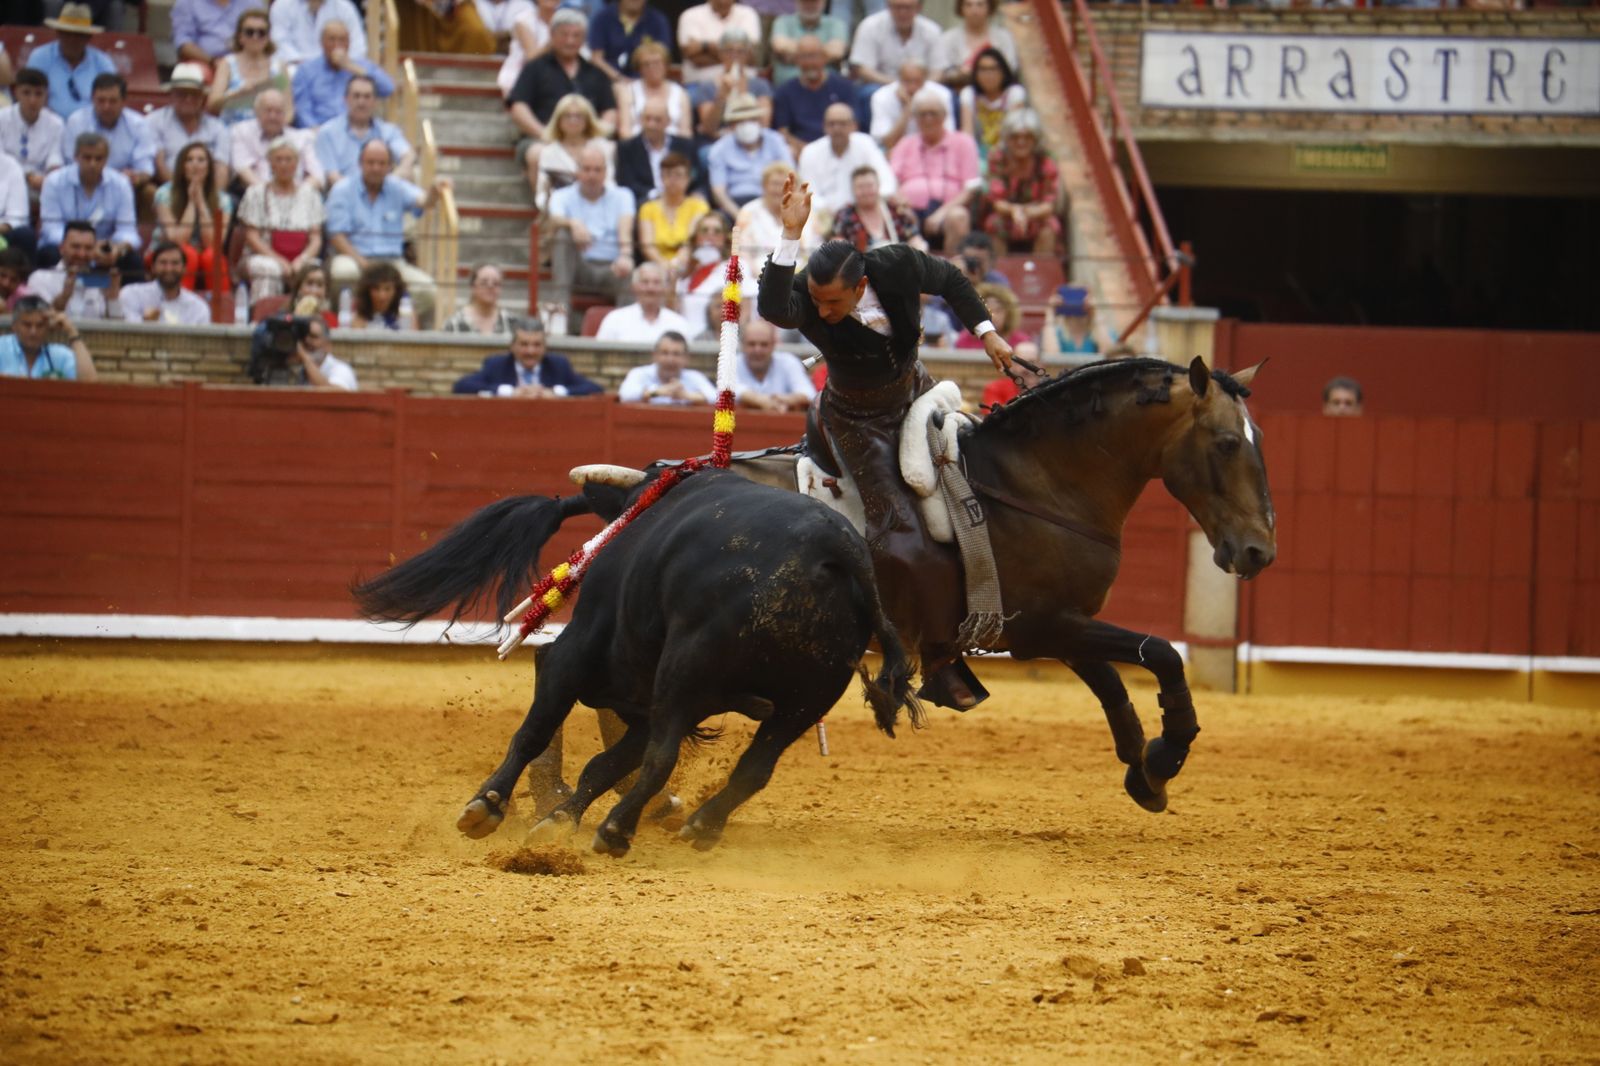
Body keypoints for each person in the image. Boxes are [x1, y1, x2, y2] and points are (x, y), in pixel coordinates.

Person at [757, 173, 1013, 710]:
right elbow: (775, 309)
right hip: (857, 420)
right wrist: (789, 235)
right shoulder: (805, 295)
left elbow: (952, 280)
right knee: (898, 534)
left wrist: (987, 333)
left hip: (917, 390)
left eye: (832, 303)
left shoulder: (894, 265)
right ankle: (934, 657)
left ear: (858, 284)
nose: (822, 313)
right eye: (818, 303)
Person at [325, 140, 450, 325]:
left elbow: (424, 202)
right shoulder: (342, 189)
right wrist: (363, 263)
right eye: (371, 162)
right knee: (343, 273)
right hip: (354, 258)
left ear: (390, 166)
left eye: (382, 163)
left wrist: (434, 190)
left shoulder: (396, 187)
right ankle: (341, 327)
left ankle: (400, 328)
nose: (376, 168)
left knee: (428, 290)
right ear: (360, 163)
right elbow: (336, 235)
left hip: (393, 263)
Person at [542, 145, 635, 332]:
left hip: (611, 267)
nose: (592, 175)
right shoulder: (562, 196)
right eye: (586, 169)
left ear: (606, 172)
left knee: (629, 272)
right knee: (562, 234)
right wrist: (573, 223)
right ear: (577, 171)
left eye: (597, 170)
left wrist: (625, 255)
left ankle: (626, 331)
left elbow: (625, 231)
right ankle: (560, 314)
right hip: (577, 266)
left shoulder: (623, 196)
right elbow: (553, 218)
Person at [506, 9, 617, 148]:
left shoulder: (595, 72)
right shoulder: (535, 67)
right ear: (552, 35)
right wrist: (544, 134)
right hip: (542, 139)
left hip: (588, 141)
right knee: (537, 153)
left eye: (576, 36)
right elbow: (518, 107)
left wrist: (596, 136)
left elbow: (609, 110)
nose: (570, 41)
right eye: (564, 35)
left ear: (584, 39)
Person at [889, 87, 978, 255]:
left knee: (958, 217)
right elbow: (890, 182)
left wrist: (941, 213)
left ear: (944, 116)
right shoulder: (905, 143)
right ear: (915, 118)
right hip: (911, 209)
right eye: (922, 114)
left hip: (949, 208)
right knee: (898, 217)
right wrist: (899, 200)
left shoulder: (963, 142)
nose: (928, 119)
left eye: (933, 113)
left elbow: (971, 188)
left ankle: (954, 275)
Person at [37, 134, 141, 275]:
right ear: (76, 157)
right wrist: (84, 247)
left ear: (106, 159)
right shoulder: (54, 181)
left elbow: (128, 231)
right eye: (87, 158)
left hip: (104, 249)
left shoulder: (121, 184)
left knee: (132, 260)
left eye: (98, 159)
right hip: (66, 247)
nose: (93, 164)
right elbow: (51, 229)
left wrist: (116, 248)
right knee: (48, 253)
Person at [238, 136, 325, 301]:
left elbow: (316, 238)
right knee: (270, 269)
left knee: (313, 271)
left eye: (289, 159)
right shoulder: (255, 193)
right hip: (264, 255)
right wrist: (279, 260)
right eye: (279, 159)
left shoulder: (310, 194)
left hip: (301, 255)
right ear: (270, 163)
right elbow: (252, 237)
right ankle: (263, 317)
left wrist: (302, 260)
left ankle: (308, 315)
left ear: (297, 163)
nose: (284, 164)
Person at [155, 142, 236, 292]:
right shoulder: (164, 194)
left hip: (205, 251)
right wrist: (192, 202)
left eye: (201, 160)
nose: (195, 165)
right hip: (166, 253)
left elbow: (214, 243)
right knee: (188, 254)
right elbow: (177, 240)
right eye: (189, 159)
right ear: (181, 166)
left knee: (212, 256)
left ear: (209, 167)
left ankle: (220, 309)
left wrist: (201, 203)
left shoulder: (223, 200)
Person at [452, 316, 602, 396]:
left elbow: (595, 389)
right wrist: (510, 392)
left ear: (545, 347)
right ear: (512, 346)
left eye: (537, 345)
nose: (531, 351)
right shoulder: (496, 365)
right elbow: (461, 386)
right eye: (524, 344)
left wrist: (555, 392)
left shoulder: (558, 365)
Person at [61, 75, 155, 202]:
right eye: (101, 100)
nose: (106, 107)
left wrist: (135, 177)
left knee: (150, 192)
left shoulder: (138, 124)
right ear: (92, 99)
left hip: (125, 188)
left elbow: (146, 168)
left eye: (112, 101)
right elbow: (71, 163)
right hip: (84, 183)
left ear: (123, 102)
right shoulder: (76, 121)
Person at [981, 108, 1060, 255]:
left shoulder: (1045, 160)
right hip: (1006, 215)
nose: (1021, 142)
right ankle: (999, 273)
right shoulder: (998, 157)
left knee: (1050, 226)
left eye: (1027, 137)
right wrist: (1014, 211)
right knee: (994, 223)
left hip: (1037, 215)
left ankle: (1040, 273)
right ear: (1007, 138)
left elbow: (1049, 204)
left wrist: (1026, 213)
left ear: (1035, 139)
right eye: (1015, 137)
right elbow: (996, 201)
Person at [292, 20, 395, 130]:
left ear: (349, 43)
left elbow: (388, 88)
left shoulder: (361, 65)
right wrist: (316, 131)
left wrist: (352, 67)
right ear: (322, 43)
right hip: (319, 131)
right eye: (332, 40)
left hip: (356, 130)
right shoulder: (306, 71)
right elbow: (302, 111)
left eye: (342, 40)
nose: (337, 45)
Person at [798, 104, 896, 217]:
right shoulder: (810, 152)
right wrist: (826, 211)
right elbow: (806, 193)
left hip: (864, 211)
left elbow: (887, 182)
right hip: (825, 217)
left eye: (842, 124)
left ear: (853, 126)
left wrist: (868, 202)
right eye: (831, 124)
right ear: (824, 127)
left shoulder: (866, 144)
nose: (837, 129)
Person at [314, 74, 413, 185]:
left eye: (367, 97)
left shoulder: (388, 132)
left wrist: (387, 185)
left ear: (375, 101)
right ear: (346, 99)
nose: (361, 102)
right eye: (356, 96)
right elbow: (332, 177)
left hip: (382, 195)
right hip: (342, 198)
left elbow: (407, 157)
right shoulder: (327, 133)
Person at [707, 93, 793, 219]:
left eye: (751, 119)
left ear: (759, 121)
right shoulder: (719, 149)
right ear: (731, 125)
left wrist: (776, 209)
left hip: (772, 200)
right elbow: (719, 192)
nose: (747, 125)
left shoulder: (776, 141)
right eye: (740, 121)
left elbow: (790, 175)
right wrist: (740, 216)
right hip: (735, 204)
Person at [148, 64, 232, 189]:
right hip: (169, 188)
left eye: (194, 94)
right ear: (171, 95)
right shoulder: (154, 122)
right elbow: (160, 166)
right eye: (182, 94)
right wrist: (184, 193)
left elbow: (222, 168)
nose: (188, 99)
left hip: (209, 191)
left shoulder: (218, 127)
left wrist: (214, 197)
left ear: (202, 97)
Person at [773, 38, 857, 158]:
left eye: (814, 56)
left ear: (824, 58)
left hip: (839, 148)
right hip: (801, 152)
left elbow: (854, 125)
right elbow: (783, 132)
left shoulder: (844, 87)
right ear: (796, 60)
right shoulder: (785, 91)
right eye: (804, 57)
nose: (810, 63)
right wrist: (810, 151)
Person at [208, 8, 292, 126]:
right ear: (240, 37)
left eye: (261, 32)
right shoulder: (227, 63)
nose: (255, 37)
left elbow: (289, 111)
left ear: (268, 38)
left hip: (270, 134)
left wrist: (276, 130)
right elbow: (212, 105)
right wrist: (237, 94)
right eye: (249, 32)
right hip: (233, 132)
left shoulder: (279, 66)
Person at [29, 4, 117, 118]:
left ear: (88, 37)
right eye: (67, 33)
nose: (72, 40)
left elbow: (110, 99)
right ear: (58, 33)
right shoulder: (39, 57)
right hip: (48, 124)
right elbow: (31, 97)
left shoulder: (103, 62)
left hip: (91, 126)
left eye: (78, 35)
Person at [528, 93, 613, 210]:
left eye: (578, 116)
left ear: (587, 119)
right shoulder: (549, 152)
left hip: (600, 207)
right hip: (562, 213)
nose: (573, 120)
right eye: (567, 116)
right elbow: (542, 195)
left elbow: (610, 184)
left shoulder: (602, 147)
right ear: (558, 120)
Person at [28, 220, 123, 319]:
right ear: (61, 248)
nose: (82, 254)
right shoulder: (41, 278)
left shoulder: (102, 280)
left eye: (88, 248)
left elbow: (118, 330)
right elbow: (39, 322)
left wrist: (112, 298)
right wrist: (64, 296)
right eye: (76, 247)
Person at [638, 153, 709, 282]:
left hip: (689, 264)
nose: (672, 180)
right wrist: (665, 265)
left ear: (688, 179)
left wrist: (676, 264)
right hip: (657, 266)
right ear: (661, 177)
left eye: (678, 175)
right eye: (668, 175)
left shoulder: (698, 206)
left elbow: (690, 242)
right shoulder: (648, 208)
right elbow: (647, 246)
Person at [616, 99, 700, 207]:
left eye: (657, 120)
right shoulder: (627, 148)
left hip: (681, 201)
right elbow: (626, 182)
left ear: (668, 121)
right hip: (644, 202)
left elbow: (696, 177)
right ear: (640, 120)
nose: (652, 124)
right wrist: (655, 195)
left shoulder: (685, 146)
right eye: (648, 119)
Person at [232, 89, 322, 189]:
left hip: (297, 196)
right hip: (257, 195)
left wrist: (296, 194)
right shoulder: (242, 132)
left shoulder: (302, 138)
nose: (273, 116)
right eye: (268, 110)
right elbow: (242, 169)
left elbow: (318, 177)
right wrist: (271, 194)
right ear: (257, 112)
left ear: (285, 114)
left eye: (278, 112)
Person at [690, 31, 773, 138]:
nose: (734, 56)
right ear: (720, 54)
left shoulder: (760, 85)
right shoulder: (707, 86)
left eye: (740, 51)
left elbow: (764, 124)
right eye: (729, 51)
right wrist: (721, 96)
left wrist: (742, 94)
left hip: (753, 138)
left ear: (748, 54)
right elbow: (708, 128)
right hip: (718, 140)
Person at [736, 162, 805, 289]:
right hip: (756, 276)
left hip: (797, 275)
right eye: (774, 184)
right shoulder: (748, 212)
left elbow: (811, 250)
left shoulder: (803, 212)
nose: (779, 190)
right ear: (764, 186)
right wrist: (762, 276)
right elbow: (741, 251)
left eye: (785, 185)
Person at [0, 295, 98, 381]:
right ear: (14, 326)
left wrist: (72, 332)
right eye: (27, 325)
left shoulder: (59, 355)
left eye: (40, 325)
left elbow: (89, 382)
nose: (33, 332)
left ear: (48, 327)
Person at [0, 68, 66, 195]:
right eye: (26, 93)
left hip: (41, 184)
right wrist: (26, 176)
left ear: (46, 95)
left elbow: (55, 158)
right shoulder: (1, 119)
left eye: (38, 94)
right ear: (16, 93)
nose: (32, 100)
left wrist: (50, 177)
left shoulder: (56, 123)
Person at [958, 47, 1025, 169]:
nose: (988, 75)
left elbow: (1013, 130)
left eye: (993, 69)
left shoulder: (1015, 93)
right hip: (977, 155)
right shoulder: (968, 94)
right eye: (983, 70)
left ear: (1003, 71)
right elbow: (967, 134)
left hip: (1008, 154)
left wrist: (997, 155)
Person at [848, 0, 941, 87]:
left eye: (908, 8)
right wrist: (897, 86)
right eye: (897, 7)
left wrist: (920, 88)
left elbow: (938, 70)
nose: (902, 13)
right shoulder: (870, 26)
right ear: (888, 6)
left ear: (919, 8)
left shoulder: (932, 30)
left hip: (922, 88)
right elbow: (862, 68)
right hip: (880, 86)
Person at [595, 262, 694, 344]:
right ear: (634, 287)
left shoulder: (679, 323)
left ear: (665, 289)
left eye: (656, 283)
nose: (650, 288)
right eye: (645, 282)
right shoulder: (614, 319)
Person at [830, 165, 922, 252]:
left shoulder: (895, 210)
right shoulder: (845, 215)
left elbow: (914, 237)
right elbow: (836, 243)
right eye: (860, 187)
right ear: (853, 190)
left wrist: (918, 249)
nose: (865, 191)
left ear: (878, 186)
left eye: (870, 186)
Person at [614, 41, 692, 141]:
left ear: (665, 65)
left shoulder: (681, 93)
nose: (652, 68)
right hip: (637, 147)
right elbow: (625, 130)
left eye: (656, 63)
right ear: (639, 68)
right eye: (646, 64)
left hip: (672, 148)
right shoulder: (628, 92)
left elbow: (685, 131)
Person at [120, 241, 214, 325]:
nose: (169, 269)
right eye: (163, 263)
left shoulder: (198, 307)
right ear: (153, 267)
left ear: (184, 268)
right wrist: (145, 322)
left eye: (175, 263)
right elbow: (126, 335)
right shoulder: (132, 294)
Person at [869, 59, 950, 151]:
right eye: (907, 81)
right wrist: (908, 109)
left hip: (932, 147)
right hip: (896, 149)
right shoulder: (881, 97)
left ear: (925, 80)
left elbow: (946, 136)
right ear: (899, 79)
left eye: (917, 81)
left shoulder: (941, 94)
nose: (912, 87)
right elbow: (887, 142)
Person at [934, 0, 1018, 89]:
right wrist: (959, 73)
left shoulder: (1004, 38)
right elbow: (942, 71)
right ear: (961, 9)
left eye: (980, 5)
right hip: (958, 91)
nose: (974, 11)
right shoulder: (948, 38)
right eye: (968, 5)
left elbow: (1010, 68)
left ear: (989, 8)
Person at [676, 0, 761, 87]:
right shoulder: (690, 15)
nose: (723, 1)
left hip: (744, 85)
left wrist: (704, 47)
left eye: (737, 51)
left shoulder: (748, 14)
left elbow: (750, 56)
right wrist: (735, 55)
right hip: (698, 85)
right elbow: (693, 57)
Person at [735, 318, 814, 411]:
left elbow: (809, 394)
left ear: (773, 345)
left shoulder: (788, 362)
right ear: (742, 345)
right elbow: (726, 390)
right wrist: (760, 401)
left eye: (764, 344)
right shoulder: (731, 363)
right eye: (752, 344)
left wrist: (787, 400)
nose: (757, 350)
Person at [616, 331, 716, 405]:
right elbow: (625, 395)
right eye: (665, 353)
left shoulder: (694, 377)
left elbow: (719, 398)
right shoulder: (639, 373)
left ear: (686, 358)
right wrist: (658, 392)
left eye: (676, 354)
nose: (670, 359)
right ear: (655, 355)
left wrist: (686, 395)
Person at [586, 0, 671, 82]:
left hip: (647, 84)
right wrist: (620, 79)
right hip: (609, 82)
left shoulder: (658, 20)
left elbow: (663, 58)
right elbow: (596, 58)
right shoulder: (601, 18)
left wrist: (640, 85)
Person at [677, 212, 732, 338]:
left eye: (717, 231)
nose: (710, 236)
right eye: (704, 230)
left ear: (725, 238)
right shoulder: (685, 272)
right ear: (696, 237)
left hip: (714, 342)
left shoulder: (734, 266)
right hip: (685, 340)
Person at [770, 0, 848, 86]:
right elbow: (780, 46)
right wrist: (822, 54)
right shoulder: (782, 21)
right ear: (797, 2)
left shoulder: (836, 23)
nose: (810, 6)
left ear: (824, 2)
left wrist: (795, 56)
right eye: (805, 2)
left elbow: (837, 51)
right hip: (786, 89)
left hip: (827, 89)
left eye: (814, 2)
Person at [270, 314, 359, 389]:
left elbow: (335, 394)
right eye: (303, 338)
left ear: (327, 345)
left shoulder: (340, 369)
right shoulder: (299, 370)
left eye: (313, 337)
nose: (307, 341)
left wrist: (305, 358)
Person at [269, 0, 369, 65]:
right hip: (293, 67)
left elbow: (358, 46)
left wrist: (339, 61)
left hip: (336, 68)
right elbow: (279, 43)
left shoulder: (344, 7)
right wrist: (305, 65)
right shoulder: (282, 5)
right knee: (278, 76)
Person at [494, 0, 558, 99]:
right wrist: (555, 40)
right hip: (521, 72)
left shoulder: (567, 20)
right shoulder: (523, 20)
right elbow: (532, 58)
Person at [173, 0, 266, 63]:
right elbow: (183, 43)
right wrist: (213, 61)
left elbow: (264, 34)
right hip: (206, 63)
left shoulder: (253, 3)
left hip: (248, 61)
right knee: (189, 77)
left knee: (274, 80)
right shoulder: (188, 3)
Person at [442, 263, 514, 335]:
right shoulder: (454, 324)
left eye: (496, 283)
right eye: (484, 282)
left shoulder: (512, 323)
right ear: (472, 286)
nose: (490, 286)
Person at [956, 282, 1029, 349]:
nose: (993, 316)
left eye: (998, 311)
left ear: (1009, 314)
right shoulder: (964, 340)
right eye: (987, 310)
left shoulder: (1021, 342)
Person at [980, 339, 1043, 410]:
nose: (1025, 369)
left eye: (1032, 363)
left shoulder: (1050, 391)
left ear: (1041, 365)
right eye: (1020, 363)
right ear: (1011, 365)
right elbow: (993, 418)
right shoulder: (995, 389)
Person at [349, 260, 409, 329]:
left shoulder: (406, 313)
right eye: (376, 289)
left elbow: (411, 337)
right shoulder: (358, 318)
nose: (382, 296)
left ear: (396, 290)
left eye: (387, 289)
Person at [1042, 284, 1098, 357]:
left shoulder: (1097, 331)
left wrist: (1096, 312)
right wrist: (1050, 311)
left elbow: (1109, 356)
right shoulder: (1056, 332)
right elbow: (1051, 356)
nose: (1074, 302)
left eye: (1079, 296)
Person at [286, 261, 337, 327]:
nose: (314, 290)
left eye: (320, 285)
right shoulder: (287, 318)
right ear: (299, 289)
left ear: (326, 292)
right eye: (309, 283)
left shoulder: (332, 320)